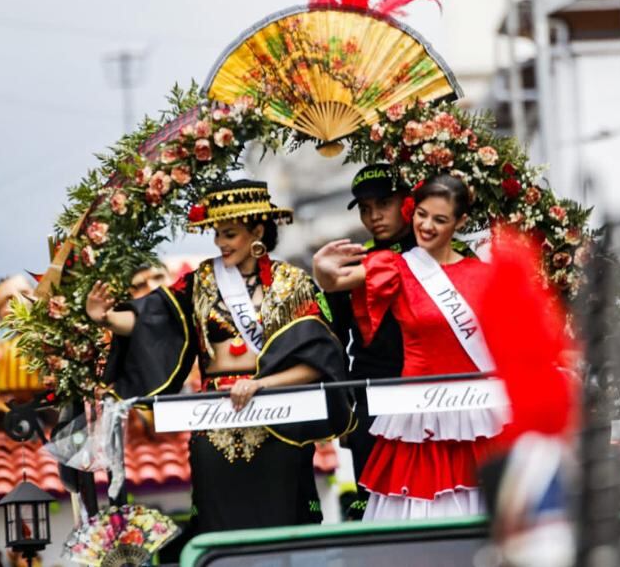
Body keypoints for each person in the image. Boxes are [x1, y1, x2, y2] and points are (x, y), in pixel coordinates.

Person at [89, 179, 350, 533]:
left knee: (282, 521)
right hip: (215, 416)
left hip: (280, 419)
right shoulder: (200, 281)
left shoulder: (293, 283)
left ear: (257, 230)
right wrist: (104, 317)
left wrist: (261, 383)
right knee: (219, 522)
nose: (219, 243)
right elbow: (150, 321)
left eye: (229, 234)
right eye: (217, 234)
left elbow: (317, 361)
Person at [316, 173, 501, 519]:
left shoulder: (480, 271)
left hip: (470, 409)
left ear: (460, 222)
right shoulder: (393, 266)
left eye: (440, 219)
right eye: (422, 215)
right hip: (407, 406)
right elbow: (334, 287)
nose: (427, 226)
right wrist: (321, 268)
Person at [313, 164, 413, 517]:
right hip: (375, 395)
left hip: (439, 391)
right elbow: (333, 340)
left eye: (383, 204)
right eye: (365, 209)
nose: (374, 216)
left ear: (408, 200)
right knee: (374, 505)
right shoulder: (351, 264)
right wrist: (343, 412)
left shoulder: (445, 253)